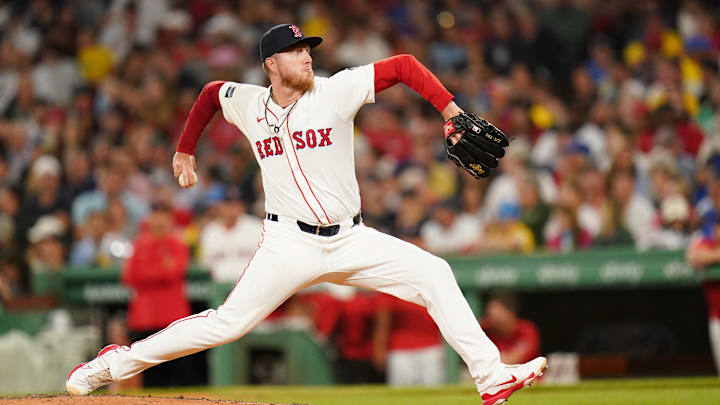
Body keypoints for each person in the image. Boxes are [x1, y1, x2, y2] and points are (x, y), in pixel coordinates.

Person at [67, 24, 546, 404]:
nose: (307, 56)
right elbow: (212, 91)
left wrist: (450, 110)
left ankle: (490, 377)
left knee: (435, 273)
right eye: (296, 52)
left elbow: (402, 65)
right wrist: (185, 150)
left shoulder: (336, 91)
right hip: (288, 245)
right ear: (271, 63)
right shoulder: (250, 103)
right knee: (228, 324)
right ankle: (114, 365)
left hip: (351, 239)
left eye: (308, 49)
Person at [480, 292, 541, 365]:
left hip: (525, 375)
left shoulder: (526, 330)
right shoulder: (484, 328)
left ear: (510, 314)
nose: (491, 320)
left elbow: (511, 360)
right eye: (489, 315)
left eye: (497, 316)